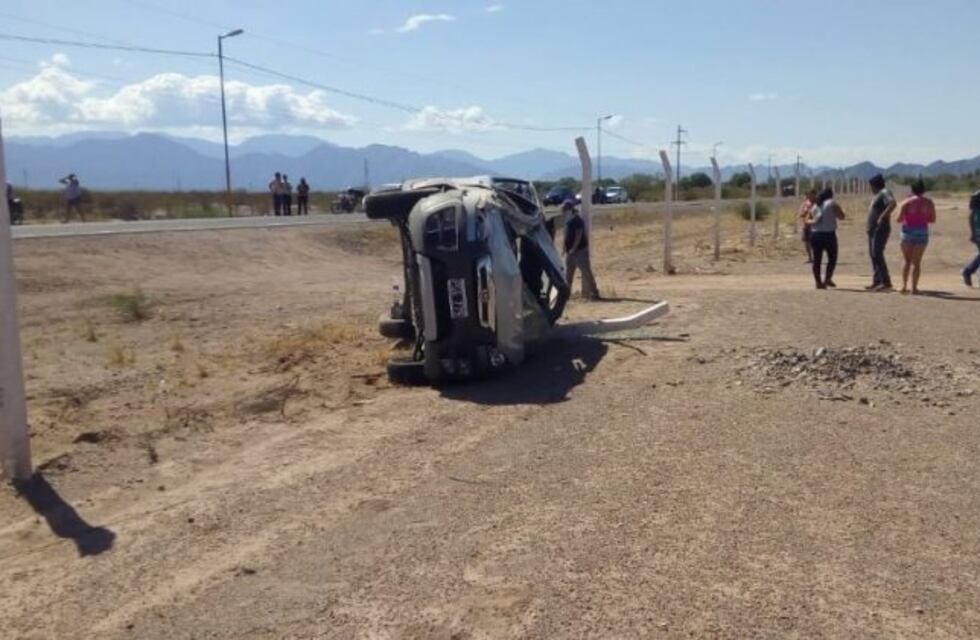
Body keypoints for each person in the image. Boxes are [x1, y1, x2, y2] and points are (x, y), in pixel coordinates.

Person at [896, 179, 936, 295]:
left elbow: (898, 219)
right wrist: (922, 219)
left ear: (912, 190)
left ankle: (903, 286)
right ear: (924, 190)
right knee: (916, 262)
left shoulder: (906, 202)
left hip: (908, 232)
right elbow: (932, 219)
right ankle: (914, 288)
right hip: (922, 232)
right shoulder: (929, 202)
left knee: (906, 260)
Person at [562, 199, 600, 301]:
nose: (564, 212)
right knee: (568, 275)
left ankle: (594, 293)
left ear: (570, 209)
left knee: (586, 272)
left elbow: (579, 235)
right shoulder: (568, 221)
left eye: (565, 209)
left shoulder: (578, 220)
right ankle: (566, 295)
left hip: (580, 252)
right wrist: (564, 248)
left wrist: (574, 248)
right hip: (570, 252)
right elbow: (566, 235)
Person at [865, 174, 897, 291]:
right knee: (873, 255)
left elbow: (893, 203)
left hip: (880, 229)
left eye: (871, 186)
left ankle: (886, 282)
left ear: (875, 185)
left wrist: (882, 217)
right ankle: (877, 280)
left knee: (877, 254)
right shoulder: (877, 195)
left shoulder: (884, 192)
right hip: (872, 230)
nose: (870, 188)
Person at [809, 187, 845, 289]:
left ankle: (818, 282)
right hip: (828, 234)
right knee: (832, 258)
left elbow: (810, 218)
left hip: (815, 234)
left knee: (817, 260)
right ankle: (827, 279)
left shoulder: (815, 205)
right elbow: (841, 216)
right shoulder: (832, 203)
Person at [963, 190, 980, 287]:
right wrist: (973, 233)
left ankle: (968, 271)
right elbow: (971, 216)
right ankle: (968, 271)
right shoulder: (977, 196)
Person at [799, 188, 816, 263]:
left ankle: (816, 256)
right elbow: (803, 212)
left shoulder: (818, 203)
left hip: (815, 225)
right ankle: (810, 258)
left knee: (815, 242)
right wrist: (803, 214)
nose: (809, 196)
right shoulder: (806, 203)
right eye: (808, 194)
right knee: (806, 242)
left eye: (810, 194)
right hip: (806, 224)